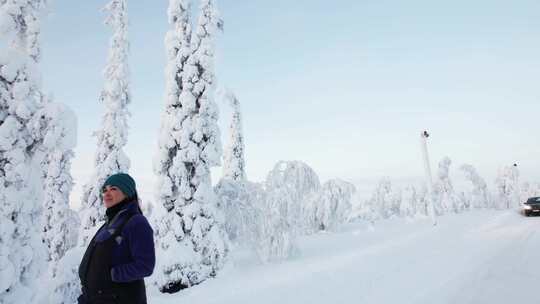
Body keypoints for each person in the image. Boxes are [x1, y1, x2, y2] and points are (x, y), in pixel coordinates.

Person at [78, 173, 155, 304]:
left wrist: (113, 274)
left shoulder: (136, 222)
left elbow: (145, 265)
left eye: (113, 189)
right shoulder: (110, 223)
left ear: (127, 192)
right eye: (105, 190)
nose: (107, 193)